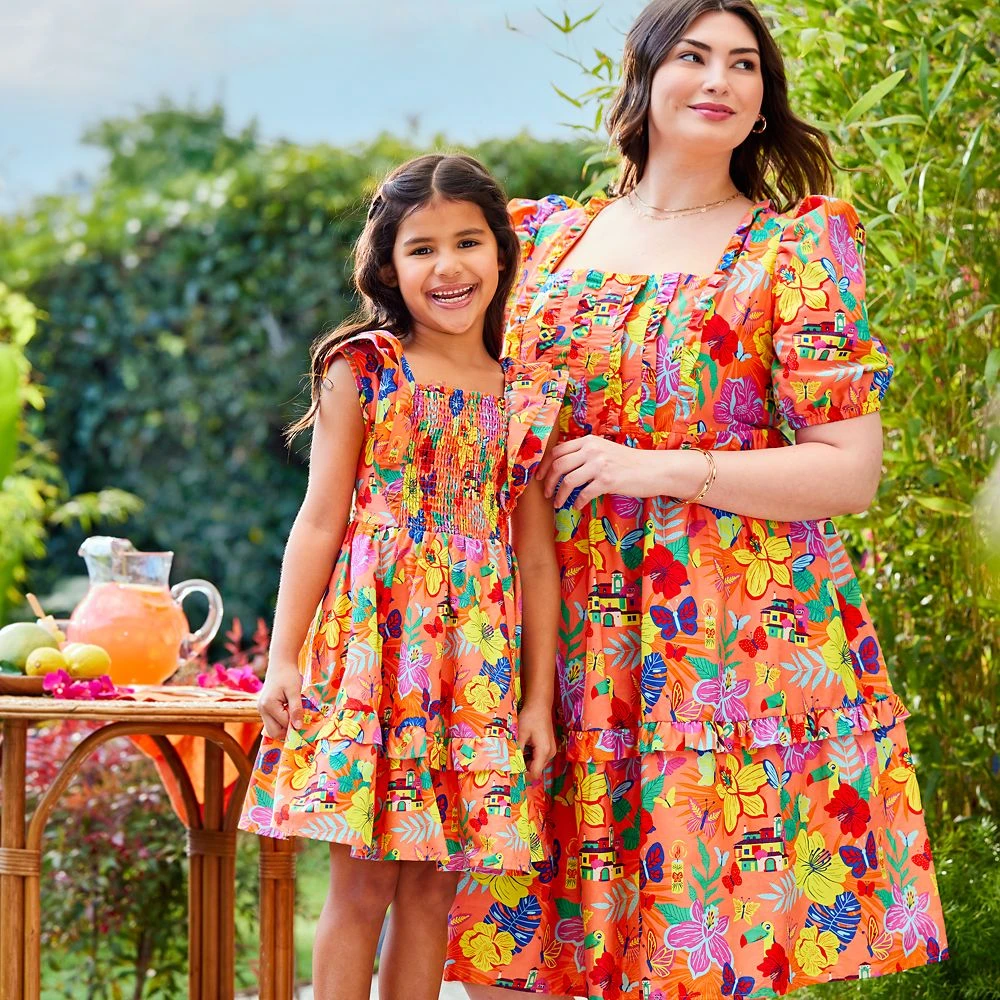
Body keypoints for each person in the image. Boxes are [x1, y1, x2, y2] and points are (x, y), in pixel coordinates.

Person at [446, 1, 948, 997]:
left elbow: (849, 471)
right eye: (693, 56)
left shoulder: (790, 252)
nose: (720, 80)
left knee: (696, 948)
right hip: (553, 628)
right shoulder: (535, 242)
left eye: (744, 64)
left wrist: (661, 468)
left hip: (718, 644)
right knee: (523, 951)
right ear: (641, 76)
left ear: (763, 101)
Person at [238, 153, 566, 1000]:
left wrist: (536, 700)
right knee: (363, 885)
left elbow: (536, 558)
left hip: (472, 669)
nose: (448, 266)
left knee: (433, 891)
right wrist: (283, 658)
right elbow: (318, 522)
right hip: (376, 659)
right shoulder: (365, 368)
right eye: (422, 248)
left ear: (502, 253)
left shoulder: (527, 394)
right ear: (388, 267)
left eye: (468, 242)